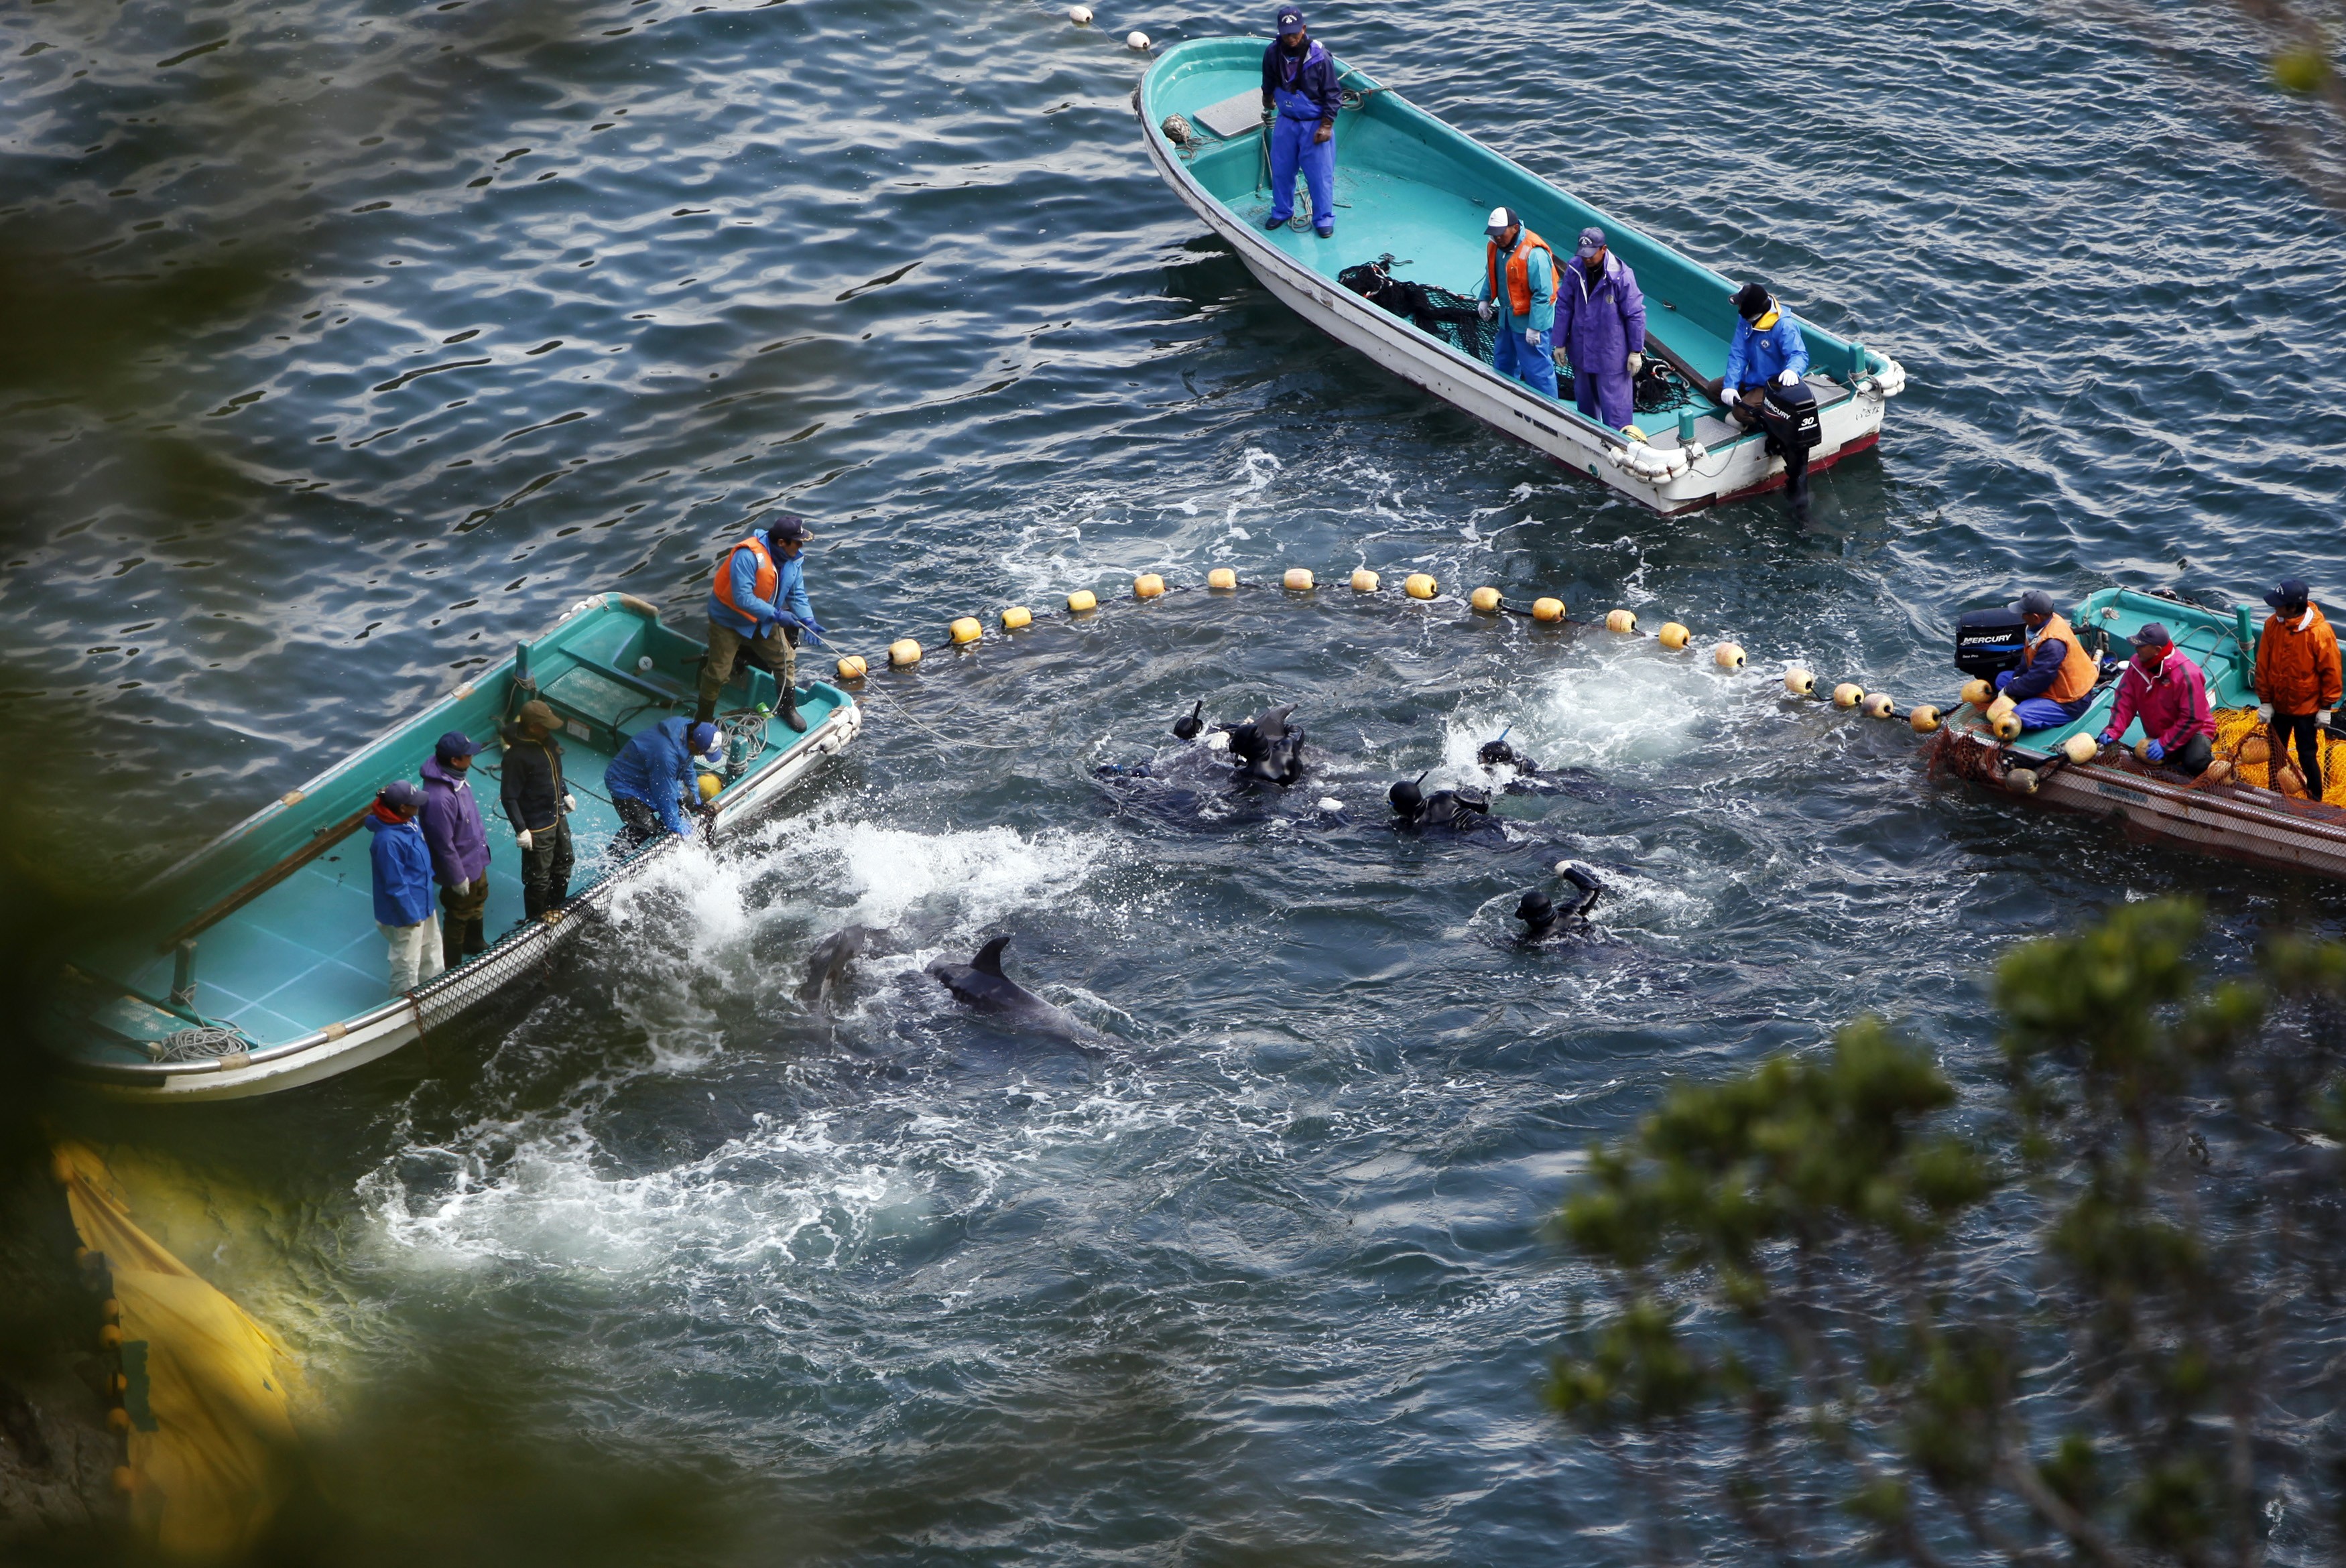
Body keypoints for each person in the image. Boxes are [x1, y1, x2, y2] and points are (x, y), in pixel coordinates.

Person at [696, 513, 822, 733]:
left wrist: (807, 619)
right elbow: (743, 598)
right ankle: (703, 718)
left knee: (786, 660)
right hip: (729, 621)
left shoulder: (794, 560)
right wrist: (777, 616)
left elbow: (796, 594)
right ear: (782, 543)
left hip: (765, 619)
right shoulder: (748, 556)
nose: (801, 546)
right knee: (718, 673)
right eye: (798, 542)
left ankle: (787, 708)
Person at [1553, 226, 1646, 431]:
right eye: (1583, 254)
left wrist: (1635, 351)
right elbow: (1564, 304)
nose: (1587, 259)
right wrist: (1559, 342)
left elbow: (1635, 315)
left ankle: (1619, 448)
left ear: (1603, 249)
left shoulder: (1622, 276)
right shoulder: (1575, 269)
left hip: (1611, 356)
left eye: (1591, 255)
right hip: (1582, 351)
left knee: (1616, 412)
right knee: (1586, 407)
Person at [2253, 578, 2340, 797]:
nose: (2275, 608)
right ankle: (2275, 794)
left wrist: (2326, 708)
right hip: (2278, 706)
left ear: (2293, 607)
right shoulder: (2272, 624)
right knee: (2276, 753)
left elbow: (2331, 672)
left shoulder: (2320, 633)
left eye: (2280, 604)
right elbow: (2263, 665)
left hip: (2307, 710)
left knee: (2307, 755)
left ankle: (2314, 800)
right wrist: (2265, 702)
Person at [1260, 7, 1339, 239]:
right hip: (1286, 120)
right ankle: (1282, 211)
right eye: (1287, 34)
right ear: (1280, 32)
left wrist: (1326, 125)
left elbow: (1333, 94)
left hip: (1314, 124)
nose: (1292, 38)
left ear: (1303, 29)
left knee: (1318, 175)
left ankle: (1323, 218)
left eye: (1295, 33)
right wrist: (1267, 100)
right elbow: (1268, 81)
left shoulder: (1319, 57)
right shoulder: (1272, 53)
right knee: (1282, 170)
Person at [2097, 623, 2216, 775]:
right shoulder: (2136, 666)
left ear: (2157, 650)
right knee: (2159, 759)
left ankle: (2208, 756)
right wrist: (2113, 730)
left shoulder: (2188, 675)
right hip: (2160, 731)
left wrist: (2164, 744)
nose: (2136, 649)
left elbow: (2192, 719)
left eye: (2141, 646)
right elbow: (2125, 700)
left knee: (2195, 762)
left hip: (2195, 730)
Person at [421, 730, 492, 966]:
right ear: (454, 761)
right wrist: (457, 877)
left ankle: (475, 940)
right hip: (461, 866)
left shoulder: (457, 777)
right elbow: (443, 843)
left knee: (479, 896)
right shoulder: (439, 798)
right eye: (468, 755)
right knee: (458, 914)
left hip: (476, 857)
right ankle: (452, 965)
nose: (472, 758)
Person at [366, 780, 443, 996]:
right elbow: (395, 884)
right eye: (414, 803)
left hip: (423, 902)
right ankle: (404, 1005)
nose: (418, 806)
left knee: (432, 949)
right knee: (406, 963)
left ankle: (437, 991)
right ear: (402, 808)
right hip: (404, 914)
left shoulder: (409, 822)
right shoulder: (388, 841)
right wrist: (410, 915)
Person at [501, 700, 576, 919]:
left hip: (557, 815)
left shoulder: (549, 742)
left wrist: (565, 792)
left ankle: (554, 909)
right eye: (546, 724)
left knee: (565, 861)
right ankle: (534, 922)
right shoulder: (516, 757)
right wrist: (521, 829)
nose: (551, 728)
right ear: (533, 726)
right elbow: (509, 797)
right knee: (539, 878)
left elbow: (555, 773)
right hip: (537, 826)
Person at [1475, 207, 1558, 399]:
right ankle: (1503, 399)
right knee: (1503, 362)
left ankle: (1549, 412)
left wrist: (1535, 327)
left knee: (1537, 371)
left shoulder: (1535, 255)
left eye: (1500, 234)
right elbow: (1493, 275)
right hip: (1508, 320)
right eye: (1494, 234)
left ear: (1513, 228)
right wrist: (1484, 299)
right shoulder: (1497, 248)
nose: (1497, 239)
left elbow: (1543, 294)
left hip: (1530, 325)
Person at [606, 716, 721, 852]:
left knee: (688, 801)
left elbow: (688, 762)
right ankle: (614, 856)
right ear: (692, 743)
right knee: (647, 829)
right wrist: (675, 824)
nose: (702, 755)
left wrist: (694, 794)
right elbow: (664, 794)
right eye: (702, 752)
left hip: (652, 778)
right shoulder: (666, 756)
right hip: (625, 785)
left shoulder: (689, 728)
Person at [1992, 590, 2101, 731]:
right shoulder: (2042, 625)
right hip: (2051, 683)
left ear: (2036, 617)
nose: (2022, 616)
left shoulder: (2053, 644)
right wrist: (2015, 680)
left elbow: (2037, 680)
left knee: (2019, 716)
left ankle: (2042, 711)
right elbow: (2028, 659)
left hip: (2071, 701)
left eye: (2024, 613)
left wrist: (2010, 689)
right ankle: (2031, 701)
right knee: (2001, 679)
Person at [1721, 281, 1809, 421]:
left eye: (1740, 304)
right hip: (1752, 377)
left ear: (1750, 309)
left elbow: (1798, 354)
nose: (1739, 307)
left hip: (1772, 385)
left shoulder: (1784, 326)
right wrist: (1730, 386)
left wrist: (1793, 370)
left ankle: (1762, 420)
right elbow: (1738, 353)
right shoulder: (1745, 320)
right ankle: (1745, 397)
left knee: (1740, 413)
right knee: (1714, 390)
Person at [1389, 775, 1490, 830]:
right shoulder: (1445, 795)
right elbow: (1482, 805)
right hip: (1488, 822)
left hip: (1470, 836)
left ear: (1400, 807)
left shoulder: (1414, 824)